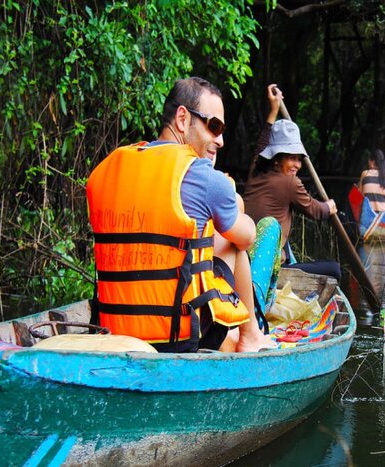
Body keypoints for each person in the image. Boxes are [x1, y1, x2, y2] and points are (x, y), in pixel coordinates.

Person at [86, 76, 273, 353]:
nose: (220, 140)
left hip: (114, 327)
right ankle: (251, 337)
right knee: (233, 241)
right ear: (183, 119)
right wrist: (235, 202)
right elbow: (246, 238)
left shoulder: (108, 169)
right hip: (179, 335)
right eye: (214, 126)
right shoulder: (205, 176)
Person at [243, 84, 341, 281]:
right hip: (267, 266)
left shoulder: (256, 169)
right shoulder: (290, 182)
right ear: (276, 158)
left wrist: (274, 109)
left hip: (245, 259)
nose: (297, 164)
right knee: (335, 270)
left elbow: (262, 141)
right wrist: (328, 207)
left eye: (299, 158)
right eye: (291, 158)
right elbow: (315, 210)